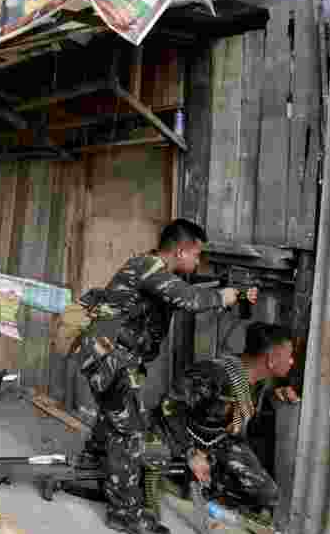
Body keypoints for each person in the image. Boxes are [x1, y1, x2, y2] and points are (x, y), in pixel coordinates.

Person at [75, 219, 257, 534]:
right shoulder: (148, 267)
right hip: (111, 358)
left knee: (114, 418)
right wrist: (223, 297)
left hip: (115, 359)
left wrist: (236, 293)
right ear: (181, 250)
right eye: (196, 255)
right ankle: (125, 514)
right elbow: (189, 299)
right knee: (128, 434)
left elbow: (188, 289)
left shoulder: (158, 272)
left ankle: (89, 471)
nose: (198, 262)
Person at [156, 322, 301, 516]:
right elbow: (169, 407)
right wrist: (190, 452)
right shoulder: (213, 374)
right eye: (289, 355)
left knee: (267, 494)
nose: (291, 361)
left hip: (219, 441)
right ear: (272, 358)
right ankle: (182, 481)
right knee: (149, 459)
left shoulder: (257, 383)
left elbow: (240, 421)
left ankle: (207, 488)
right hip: (182, 435)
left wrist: (274, 398)